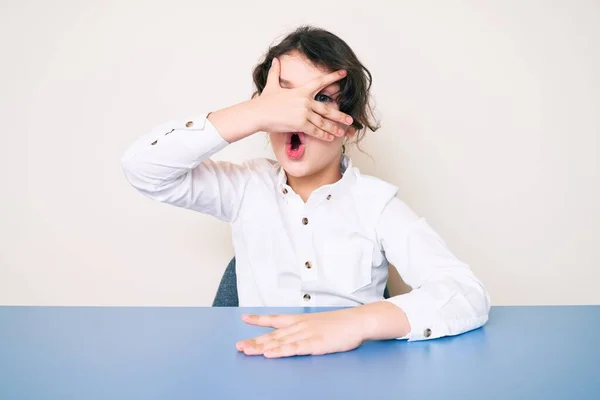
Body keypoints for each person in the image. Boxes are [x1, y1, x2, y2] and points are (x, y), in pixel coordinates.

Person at [121, 25, 490, 358]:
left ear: (351, 125)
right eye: (285, 99)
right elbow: (143, 169)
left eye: (322, 99)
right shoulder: (244, 189)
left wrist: (354, 323)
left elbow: (467, 294)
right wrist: (252, 114)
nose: (299, 114)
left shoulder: (376, 206)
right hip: (259, 368)